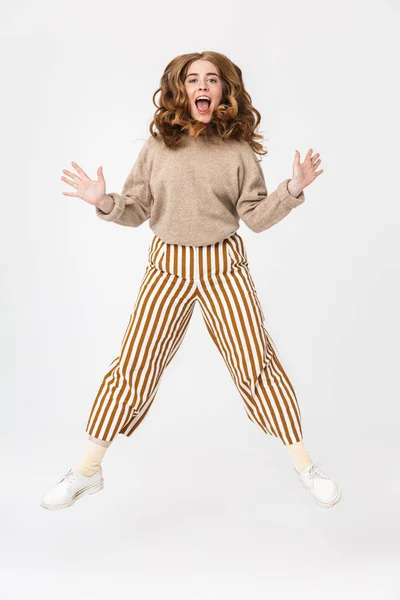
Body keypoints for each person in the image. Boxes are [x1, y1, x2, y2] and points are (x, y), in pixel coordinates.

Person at [40, 51, 341, 511]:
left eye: (212, 79)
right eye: (193, 79)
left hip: (224, 266)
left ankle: (305, 467)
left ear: (224, 92)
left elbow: (256, 217)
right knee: (134, 366)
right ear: (180, 90)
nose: (203, 86)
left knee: (254, 361)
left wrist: (292, 190)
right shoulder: (158, 148)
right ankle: (86, 471)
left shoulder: (238, 152)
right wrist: (104, 202)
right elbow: (137, 210)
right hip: (168, 265)